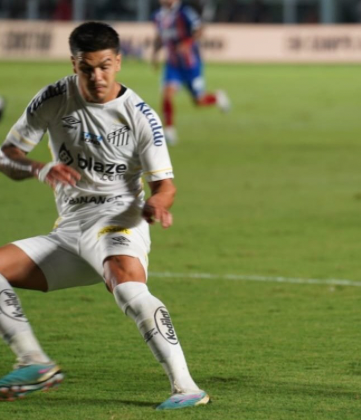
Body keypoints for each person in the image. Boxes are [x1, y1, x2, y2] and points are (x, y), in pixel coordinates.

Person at [0, 22, 209, 411]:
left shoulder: (140, 116)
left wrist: (160, 203)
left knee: (127, 286)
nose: (97, 77)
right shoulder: (53, 98)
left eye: (105, 66)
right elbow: (6, 155)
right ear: (74, 63)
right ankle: (34, 361)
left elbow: (166, 185)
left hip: (119, 219)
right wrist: (39, 169)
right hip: (69, 231)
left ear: (119, 61)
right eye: (87, 68)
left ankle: (186, 388)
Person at [152, 0, 230, 145]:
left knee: (198, 101)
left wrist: (187, 43)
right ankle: (169, 130)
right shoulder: (157, 16)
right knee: (167, 93)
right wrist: (155, 54)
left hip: (191, 64)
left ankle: (217, 97)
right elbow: (159, 36)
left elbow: (199, 29)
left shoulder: (184, 12)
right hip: (173, 64)